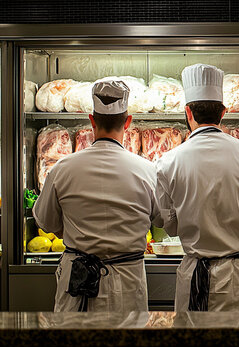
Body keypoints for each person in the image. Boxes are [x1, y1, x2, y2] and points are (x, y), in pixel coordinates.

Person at [155, 64, 239, 312]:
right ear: (224, 112)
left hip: (194, 273)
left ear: (188, 112)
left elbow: (165, 221)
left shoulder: (168, 161)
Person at [33, 80, 162, 312]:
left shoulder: (62, 169)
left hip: (78, 281)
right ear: (128, 122)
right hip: (128, 281)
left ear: (92, 121)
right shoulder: (147, 170)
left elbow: (46, 222)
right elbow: (162, 220)